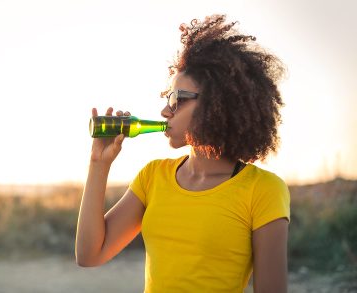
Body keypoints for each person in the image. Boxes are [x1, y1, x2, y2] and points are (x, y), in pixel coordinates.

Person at [76, 14, 290, 293]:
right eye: (168, 98)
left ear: (217, 104)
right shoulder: (153, 176)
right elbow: (90, 255)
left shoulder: (263, 190)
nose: (165, 111)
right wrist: (98, 165)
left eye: (177, 99)